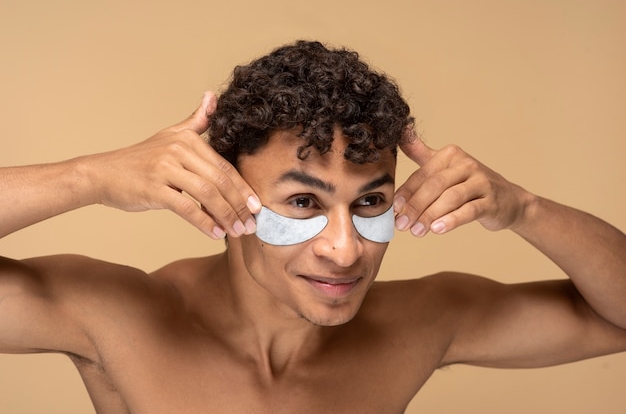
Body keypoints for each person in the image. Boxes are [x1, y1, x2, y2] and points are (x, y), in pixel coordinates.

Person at [1, 40, 625, 413]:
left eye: (371, 203)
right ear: (221, 189)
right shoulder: (118, 317)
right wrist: (88, 177)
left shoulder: (422, 321)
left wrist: (526, 210)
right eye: (302, 203)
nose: (344, 248)